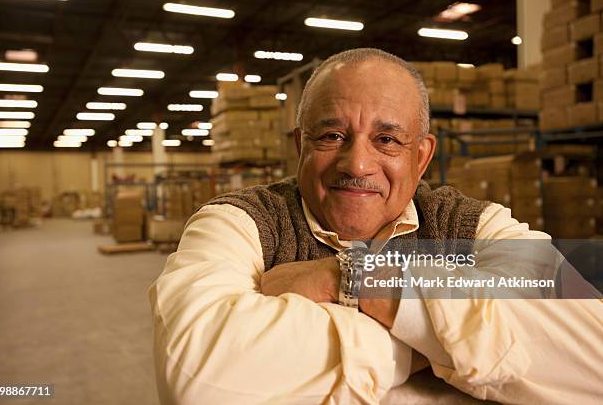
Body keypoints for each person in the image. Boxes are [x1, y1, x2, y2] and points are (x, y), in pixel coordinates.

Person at [149, 48, 602, 404]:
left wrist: (351, 278)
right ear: (298, 144)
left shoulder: (469, 226)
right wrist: (437, 346)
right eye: (331, 136)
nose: (357, 163)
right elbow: (198, 379)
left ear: (421, 156)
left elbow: (593, 354)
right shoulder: (239, 223)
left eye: (386, 140)